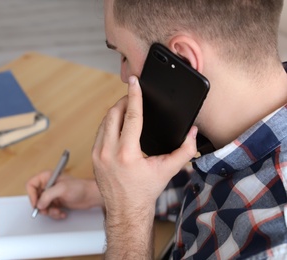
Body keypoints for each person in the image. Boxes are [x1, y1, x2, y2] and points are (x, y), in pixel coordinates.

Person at [27, 0, 287, 258]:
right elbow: (225, 191)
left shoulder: (270, 246)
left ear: (182, 58)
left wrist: (127, 216)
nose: (122, 74)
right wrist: (107, 192)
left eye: (124, 56)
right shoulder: (242, 138)